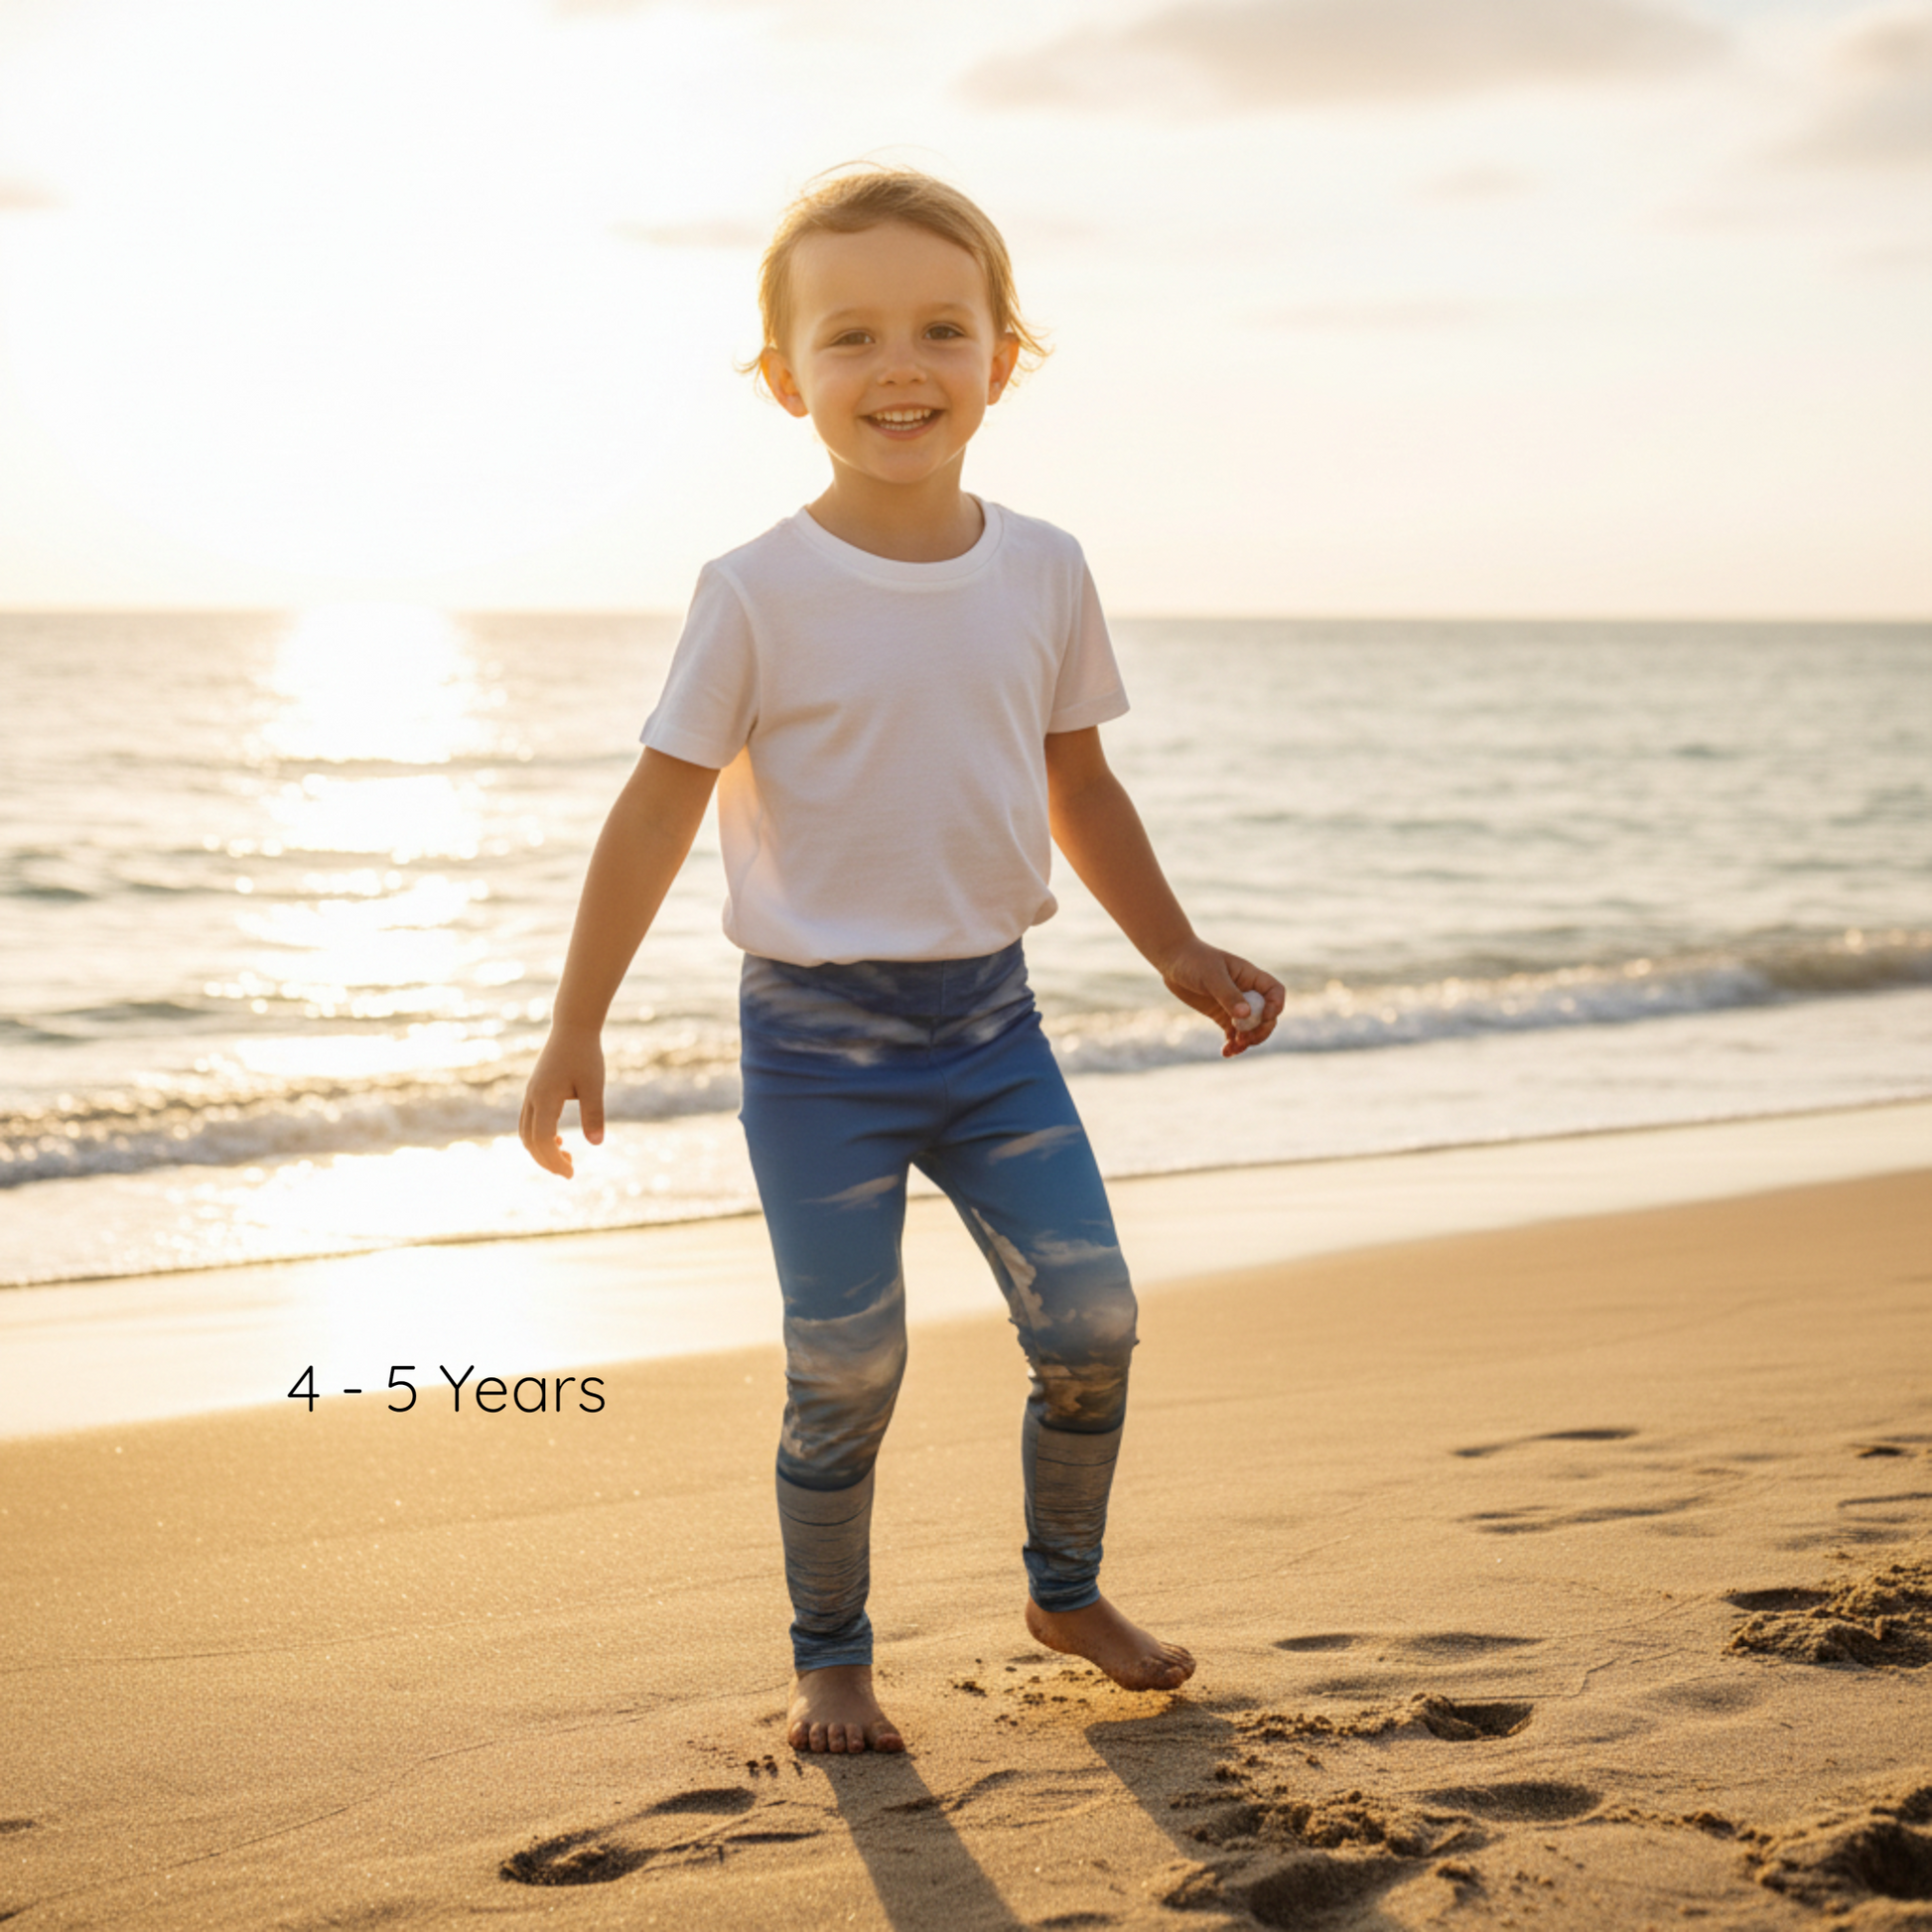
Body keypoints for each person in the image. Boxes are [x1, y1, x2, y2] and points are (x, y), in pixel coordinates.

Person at [519, 166, 1284, 1756]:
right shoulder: (754, 592)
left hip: (990, 1025)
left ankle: (1062, 1588)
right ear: (785, 377)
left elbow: (1076, 780)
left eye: (943, 328)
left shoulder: (1044, 567)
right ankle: (833, 1655)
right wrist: (572, 1023)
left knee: (1091, 1320)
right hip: (813, 1048)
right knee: (845, 1360)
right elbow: (656, 810)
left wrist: (1173, 947)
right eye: (851, 336)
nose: (901, 367)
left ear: (1006, 357)